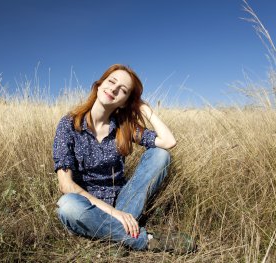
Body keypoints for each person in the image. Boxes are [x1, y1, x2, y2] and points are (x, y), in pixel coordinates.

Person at [53, 64, 196, 253]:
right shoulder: (70, 124)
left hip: (126, 203)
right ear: (99, 84)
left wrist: (144, 108)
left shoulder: (124, 127)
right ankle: (146, 240)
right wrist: (115, 214)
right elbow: (66, 186)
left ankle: (110, 236)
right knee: (67, 206)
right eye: (111, 81)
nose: (113, 89)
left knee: (160, 155)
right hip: (89, 206)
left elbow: (168, 142)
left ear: (124, 102)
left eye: (123, 90)